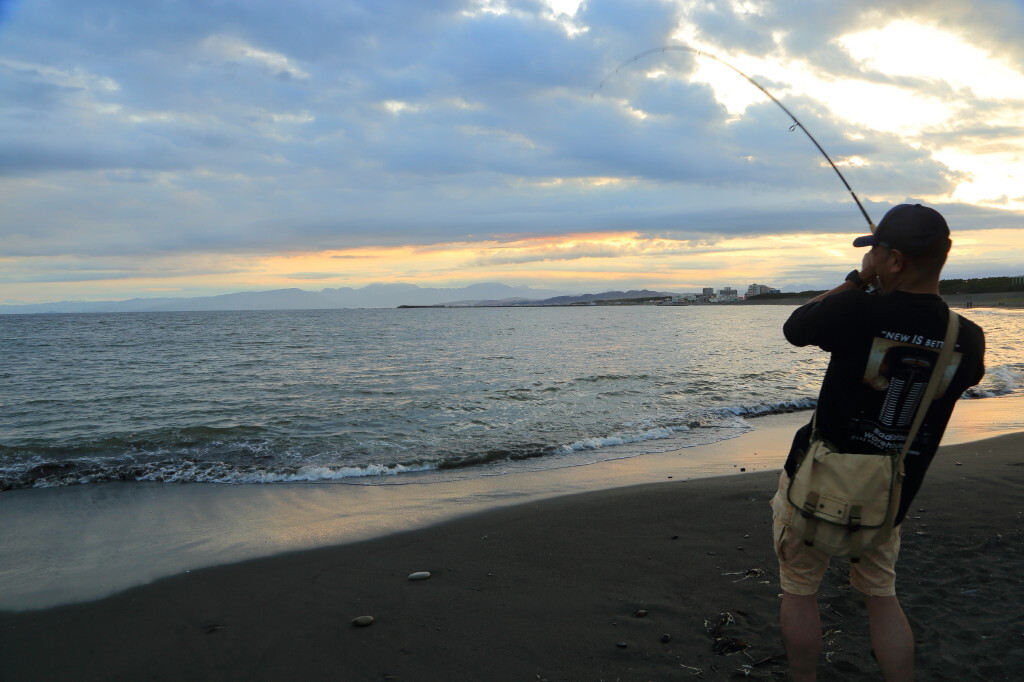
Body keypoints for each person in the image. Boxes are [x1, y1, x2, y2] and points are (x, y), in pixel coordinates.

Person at [770, 204, 986, 681]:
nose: (873, 261)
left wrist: (857, 279)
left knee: (800, 589)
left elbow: (797, 327)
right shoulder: (967, 338)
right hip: (888, 495)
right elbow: (961, 380)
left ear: (893, 261)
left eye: (878, 253)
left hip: (815, 483)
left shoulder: (858, 308)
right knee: (881, 596)